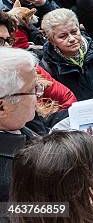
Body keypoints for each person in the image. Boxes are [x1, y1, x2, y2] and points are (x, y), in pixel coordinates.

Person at [40, 8, 93, 103]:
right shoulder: (47, 69)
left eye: (74, 32)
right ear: (52, 40)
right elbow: (51, 104)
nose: (71, 39)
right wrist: (88, 108)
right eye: (63, 36)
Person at [0, 47, 38, 202]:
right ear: (2, 107)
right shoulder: (11, 178)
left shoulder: (14, 121)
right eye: (33, 89)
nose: (39, 94)